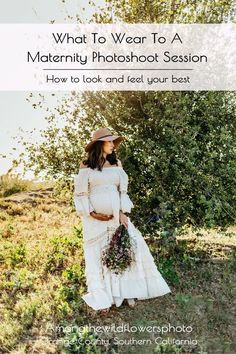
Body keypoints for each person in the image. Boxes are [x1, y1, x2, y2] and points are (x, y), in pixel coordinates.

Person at [74, 127, 171, 313]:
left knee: (124, 250)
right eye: (109, 141)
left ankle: (126, 292)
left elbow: (121, 191)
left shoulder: (116, 163)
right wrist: (93, 213)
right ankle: (103, 297)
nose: (112, 145)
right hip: (94, 221)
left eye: (113, 141)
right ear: (99, 144)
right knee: (98, 256)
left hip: (116, 217)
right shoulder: (86, 166)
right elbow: (80, 194)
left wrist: (122, 212)